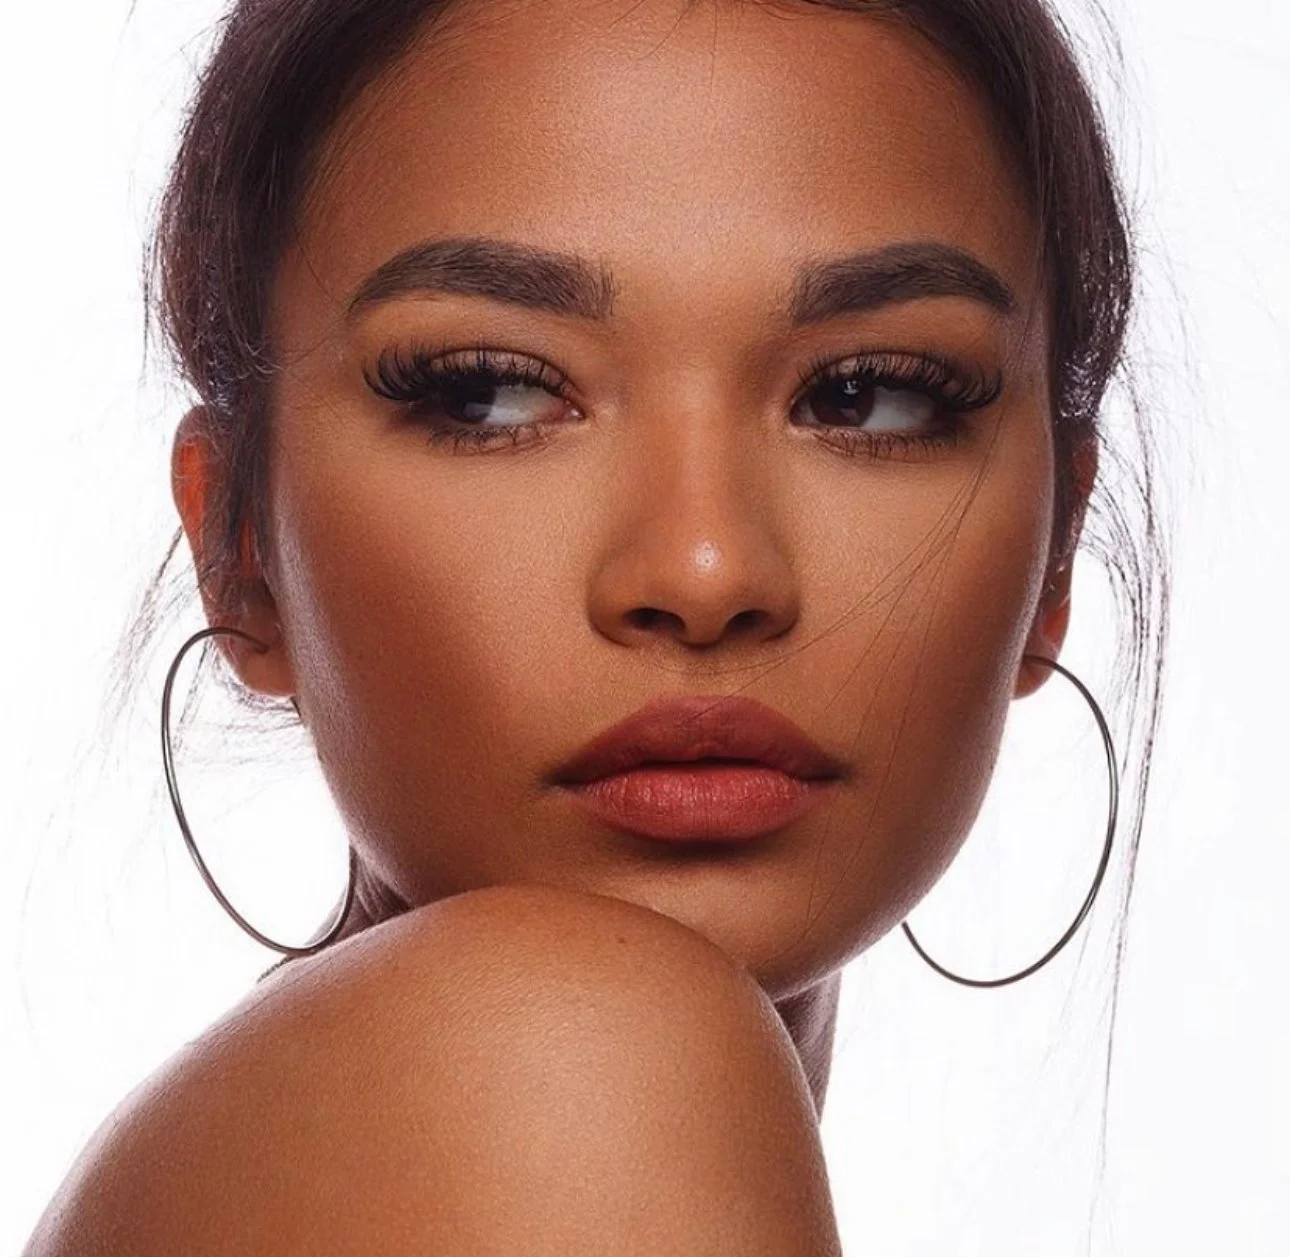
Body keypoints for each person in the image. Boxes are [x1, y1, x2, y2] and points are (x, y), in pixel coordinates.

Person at [23, 0, 1169, 1251]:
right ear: (237, 548)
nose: (706, 567)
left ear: (1056, 548)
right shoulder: (561, 1064)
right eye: (490, 390)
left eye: (872, 395)